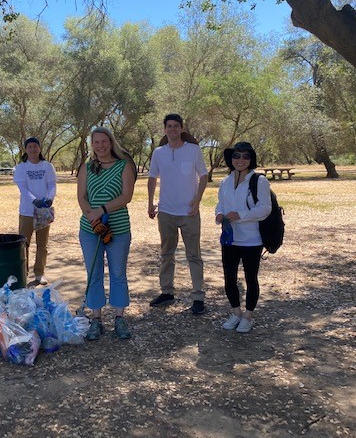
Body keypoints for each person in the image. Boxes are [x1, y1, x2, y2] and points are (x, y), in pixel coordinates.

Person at [77, 127, 136, 340]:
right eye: (96, 142)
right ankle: (96, 319)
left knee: (118, 273)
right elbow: (82, 197)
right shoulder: (86, 168)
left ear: (111, 143)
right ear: (92, 145)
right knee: (94, 274)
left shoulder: (124, 166)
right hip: (90, 230)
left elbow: (126, 196)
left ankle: (119, 318)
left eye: (104, 142)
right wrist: (91, 217)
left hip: (118, 229)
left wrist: (102, 210)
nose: (101, 146)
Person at [147, 113, 209, 314]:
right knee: (167, 253)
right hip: (166, 211)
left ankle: (198, 297)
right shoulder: (158, 152)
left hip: (189, 212)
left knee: (194, 255)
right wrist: (151, 202)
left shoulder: (193, 150)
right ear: (164, 129)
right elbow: (152, 177)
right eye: (169, 126)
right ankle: (167, 292)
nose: (172, 129)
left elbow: (204, 175)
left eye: (176, 126)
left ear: (182, 129)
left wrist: (197, 200)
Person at [215, 142, 272, 333]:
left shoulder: (259, 181)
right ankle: (236, 312)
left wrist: (240, 214)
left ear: (251, 159)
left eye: (245, 156)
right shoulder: (225, 181)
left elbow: (265, 208)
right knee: (229, 278)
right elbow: (220, 204)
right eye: (236, 156)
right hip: (230, 239)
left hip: (251, 240)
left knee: (250, 278)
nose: (240, 160)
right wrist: (219, 214)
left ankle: (248, 315)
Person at [13, 137, 57, 286]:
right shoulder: (21, 168)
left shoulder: (47, 166)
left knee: (42, 244)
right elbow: (23, 189)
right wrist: (34, 201)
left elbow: (52, 185)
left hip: (43, 211)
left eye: (35, 146)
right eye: (29, 147)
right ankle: (23, 273)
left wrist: (50, 198)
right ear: (26, 150)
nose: (33, 149)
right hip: (27, 211)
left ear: (39, 148)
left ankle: (40, 273)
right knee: (23, 244)